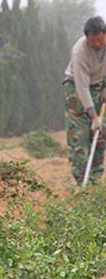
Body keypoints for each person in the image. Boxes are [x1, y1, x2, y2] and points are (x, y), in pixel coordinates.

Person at [63, 16, 106, 185]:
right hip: (75, 88)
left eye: (100, 40)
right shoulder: (79, 51)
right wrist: (93, 116)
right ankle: (82, 183)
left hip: (99, 84)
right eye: (92, 41)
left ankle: (94, 181)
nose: (97, 44)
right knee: (79, 136)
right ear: (87, 38)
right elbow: (82, 86)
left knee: (100, 133)